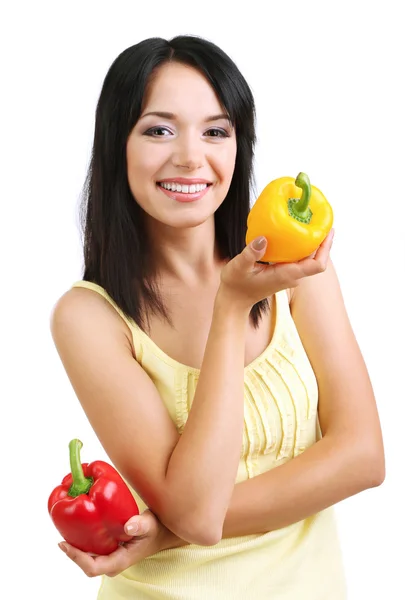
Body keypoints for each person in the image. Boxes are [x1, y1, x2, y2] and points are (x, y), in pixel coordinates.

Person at [50, 34, 385, 599]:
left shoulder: (298, 266)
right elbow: (198, 513)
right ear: (117, 146)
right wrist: (230, 308)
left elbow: (363, 456)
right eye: (159, 129)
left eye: (216, 130)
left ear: (239, 147)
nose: (189, 156)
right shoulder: (88, 317)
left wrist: (166, 534)